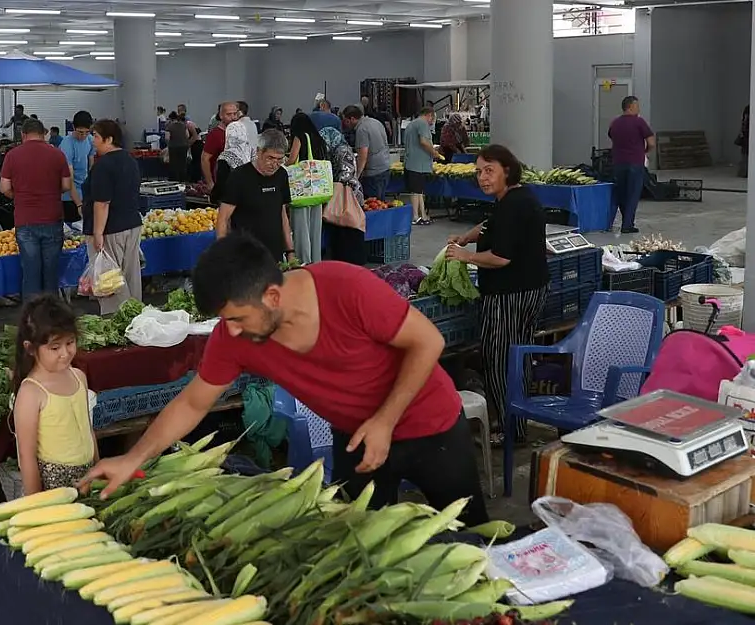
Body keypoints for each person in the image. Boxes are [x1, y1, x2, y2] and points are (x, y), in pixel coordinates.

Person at [81, 233, 490, 526]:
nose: (232, 332)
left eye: (238, 318)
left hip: (430, 428)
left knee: (471, 542)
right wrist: (134, 458)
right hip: (356, 439)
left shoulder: (347, 288)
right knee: (363, 545)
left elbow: (428, 342)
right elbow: (192, 403)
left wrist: (385, 421)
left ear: (272, 297)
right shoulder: (234, 334)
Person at [446, 145, 549, 444]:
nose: (482, 178)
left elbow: (501, 258)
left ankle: (510, 430)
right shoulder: (513, 198)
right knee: (517, 356)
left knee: (500, 358)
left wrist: (465, 256)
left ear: (507, 169)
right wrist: (467, 236)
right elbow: (490, 225)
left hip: (510, 294)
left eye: (489, 170)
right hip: (528, 289)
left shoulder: (515, 206)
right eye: (479, 171)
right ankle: (515, 418)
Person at [12, 294, 99, 494]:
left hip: (87, 480)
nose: (65, 353)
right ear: (31, 349)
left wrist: (97, 467)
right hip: (54, 487)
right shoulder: (31, 392)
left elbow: (88, 429)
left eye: (70, 343)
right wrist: (36, 504)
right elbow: (27, 457)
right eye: (54, 347)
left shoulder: (79, 377)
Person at [0, 118, 71, 299]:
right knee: (50, 275)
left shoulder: (12, 155)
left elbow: (4, 188)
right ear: (44, 133)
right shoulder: (57, 154)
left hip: (25, 221)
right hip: (53, 219)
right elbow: (66, 185)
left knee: (30, 275)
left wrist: (21, 196)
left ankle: (31, 321)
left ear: (23, 134)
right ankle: (51, 320)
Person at [83, 118, 143, 315]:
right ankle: (136, 317)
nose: (93, 140)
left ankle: (116, 320)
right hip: (132, 225)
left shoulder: (104, 165)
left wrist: (98, 233)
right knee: (130, 275)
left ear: (109, 139)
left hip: (111, 229)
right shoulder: (130, 160)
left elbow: (102, 202)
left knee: (110, 280)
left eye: (96, 136)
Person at [217, 129, 295, 265]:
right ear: (259, 152)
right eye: (270, 158)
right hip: (245, 256)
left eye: (279, 159)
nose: (274, 164)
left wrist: (290, 252)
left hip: (274, 255)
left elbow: (282, 215)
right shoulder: (239, 177)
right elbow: (223, 218)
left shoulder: (282, 175)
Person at [320, 126, 367, 266]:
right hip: (344, 195)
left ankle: (351, 261)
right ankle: (344, 261)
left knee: (349, 226)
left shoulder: (342, 151)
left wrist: (333, 186)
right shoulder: (335, 150)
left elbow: (346, 175)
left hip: (348, 196)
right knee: (344, 227)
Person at [608, 96, 654, 234]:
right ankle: (627, 224)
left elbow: (611, 136)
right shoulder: (639, 122)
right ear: (630, 107)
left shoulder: (615, 123)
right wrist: (645, 151)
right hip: (635, 163)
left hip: (618, 163)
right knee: (633, 194)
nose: (638, 108)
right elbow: (651, 142)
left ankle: (624, 220)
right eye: (637, 105)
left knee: (621, 193)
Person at [287, 112, 326, 264]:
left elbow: (292, 159)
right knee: (315, 228)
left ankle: (303, 260)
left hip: (302, 189)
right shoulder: (318, 138)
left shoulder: (300, 137)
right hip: (317, 189)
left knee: (301, 227)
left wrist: (285, 163)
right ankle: (316, 260)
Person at [342, 105, 394, 206]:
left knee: (372, 204)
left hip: (373, 173)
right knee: (381, 203)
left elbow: (363, 156)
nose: (345, 125)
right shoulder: (376, 122)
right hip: (385, 167)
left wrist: (356, 176)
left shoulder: (362, 129)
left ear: (352, 118)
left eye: (346, 121)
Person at [402, 107, 443, 226]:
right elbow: (424, 142)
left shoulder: (412, 124)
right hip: (418, 163)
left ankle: (422, 215)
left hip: (411, 162)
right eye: (432, 119)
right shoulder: (422, 124)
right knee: (416, 191)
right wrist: (434, 153)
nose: (432, 122)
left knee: (419, 190)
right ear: (429, 115)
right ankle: (415, 216)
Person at [59, 111, 95, 224]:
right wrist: (78, 204)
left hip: (84, 192)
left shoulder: (90, 140)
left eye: (86, 132)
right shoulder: (67, 145)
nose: (83, 136)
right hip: (69, 197)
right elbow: (69, 179)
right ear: (73, 127)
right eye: (80, 132)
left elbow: (91, 166)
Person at [203, 101, 239, 196]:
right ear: (221, 115)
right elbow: (205, 159)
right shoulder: (215, 135)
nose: (233, 117)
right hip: (221, 184)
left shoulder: (238, 132)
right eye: (229, 114)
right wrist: (210, 183)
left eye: (235, 114)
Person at [164, 112, 191, 183]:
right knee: (182, 164)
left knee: (174, 165)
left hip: (173, 147)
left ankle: (174, 181)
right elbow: (187, 136)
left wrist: (168, 144)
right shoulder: (183, 125)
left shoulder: (169, 126)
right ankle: (183, 180)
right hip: (183, 147)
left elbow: (167, 138)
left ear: (171, 119)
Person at [739, 105, 750, 179]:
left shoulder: (747, 108)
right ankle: (745, 172)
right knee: (745, 154)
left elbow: (744, 122)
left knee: (745, 154)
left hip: (746, 134)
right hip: (747, 135)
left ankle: (745, 172)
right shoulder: (748, 108)